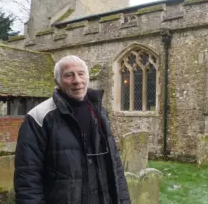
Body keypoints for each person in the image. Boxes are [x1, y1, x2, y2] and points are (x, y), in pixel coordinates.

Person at [14, 55, 130, 204]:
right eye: (69, 75)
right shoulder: (39, 117)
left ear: (88, 77)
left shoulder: (100, 113)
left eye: (81, 73)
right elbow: (27, 179)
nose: (77, 81)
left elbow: (116, 167)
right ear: (57, 81)